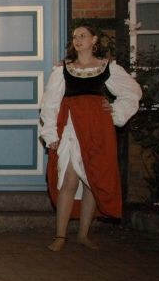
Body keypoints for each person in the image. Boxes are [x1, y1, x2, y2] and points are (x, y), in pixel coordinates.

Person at [40, 24, 142, 252]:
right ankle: (60, 236)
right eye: (75, 36)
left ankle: (83, 235)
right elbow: (50, 102)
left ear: (94, 40)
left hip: (97, 129)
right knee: (69, 179)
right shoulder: (63, 69)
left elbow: (132, 91)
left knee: (92, 179)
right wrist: (50, 132)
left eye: (83, 35)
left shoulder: (107, 67)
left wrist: (115, 109)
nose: (77, 40)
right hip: (71, 127)